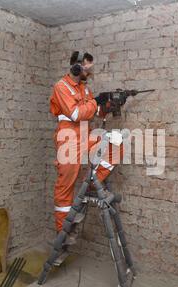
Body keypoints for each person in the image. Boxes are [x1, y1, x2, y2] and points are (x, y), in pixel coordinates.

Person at [49, 51, 120, 237]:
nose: (89, 73)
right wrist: (96, 102)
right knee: (65, 186)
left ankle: (89, 184)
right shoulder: (61, 86)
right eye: (87, 69)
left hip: (85, 134)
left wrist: (107, 107)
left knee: (116, 146)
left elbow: (93, 112)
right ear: (76, 67)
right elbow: (75, 114)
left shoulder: (84, 88)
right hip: (68, 138)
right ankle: (63, 231)